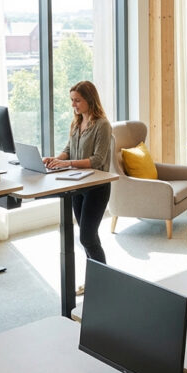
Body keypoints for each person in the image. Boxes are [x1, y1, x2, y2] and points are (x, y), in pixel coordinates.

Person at [43, 81, 112, 294]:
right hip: (76, 186)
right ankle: (98, 280)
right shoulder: (76, 122)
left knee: (87, 237)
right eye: (72, 100)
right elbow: (68, 150)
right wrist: (55, 159)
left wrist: (68, 163)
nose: (73, 104)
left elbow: (98, 160)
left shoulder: (102, 125)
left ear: (89, 100)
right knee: (88, 237)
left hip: (97, 187)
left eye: (77, 100)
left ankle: (103, 283)